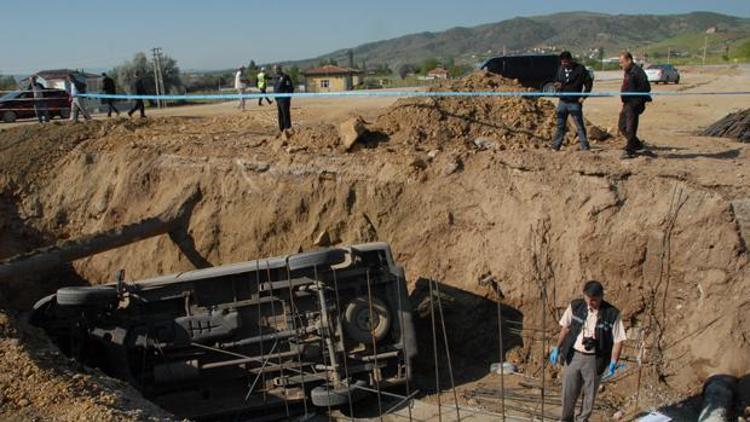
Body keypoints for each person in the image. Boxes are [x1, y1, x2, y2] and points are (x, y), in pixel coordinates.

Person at [549, 281, 627, 422]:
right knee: (568, 392)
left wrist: (614, 361)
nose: (590, 303)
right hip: (573, 355)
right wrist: (557, 347)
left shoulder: (612, 314)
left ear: (601, 297)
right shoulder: (576, 306)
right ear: (584, 295)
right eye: (588, 299)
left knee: (589, 395)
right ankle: (566, 419)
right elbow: (565, 328)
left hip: (595, 359)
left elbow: (618, 340)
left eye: (594, 300)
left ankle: (582, 420)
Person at [551, 51, 593, 151]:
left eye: (566, 62)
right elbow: (556, 81)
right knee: (560, 124)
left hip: (574, 102)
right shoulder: (560, 69)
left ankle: (584, 146)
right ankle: (556, 145)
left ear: (570, 60)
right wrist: (557, 85)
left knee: (579, 124)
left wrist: (584, 96)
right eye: (562, 62)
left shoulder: (580, 69)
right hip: (563, 101)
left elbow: (588, 83)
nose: (564, 64)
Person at [618, 51, 652, 159]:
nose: (621, 65)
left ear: (629, 60)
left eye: (622, 62)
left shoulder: (637, 72)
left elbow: (646, 88)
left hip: (633, 104)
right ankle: (637, 145)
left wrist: (636, 101)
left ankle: (630, 150)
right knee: (622, 126)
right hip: (627, 103)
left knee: (630, 128)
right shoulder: (628, 71)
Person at [273, 65, 294, 132]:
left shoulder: (285, 77)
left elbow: (290, 87)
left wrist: (288, 97)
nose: (275, 70)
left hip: (284, 99)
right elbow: (276, 88)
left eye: (276, 69)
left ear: (280, 69)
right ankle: (281, 129)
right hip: (278, 99)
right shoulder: (276, 77)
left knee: (285, 113)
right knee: (280, 114)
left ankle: (287, 128)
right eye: (274, 69)